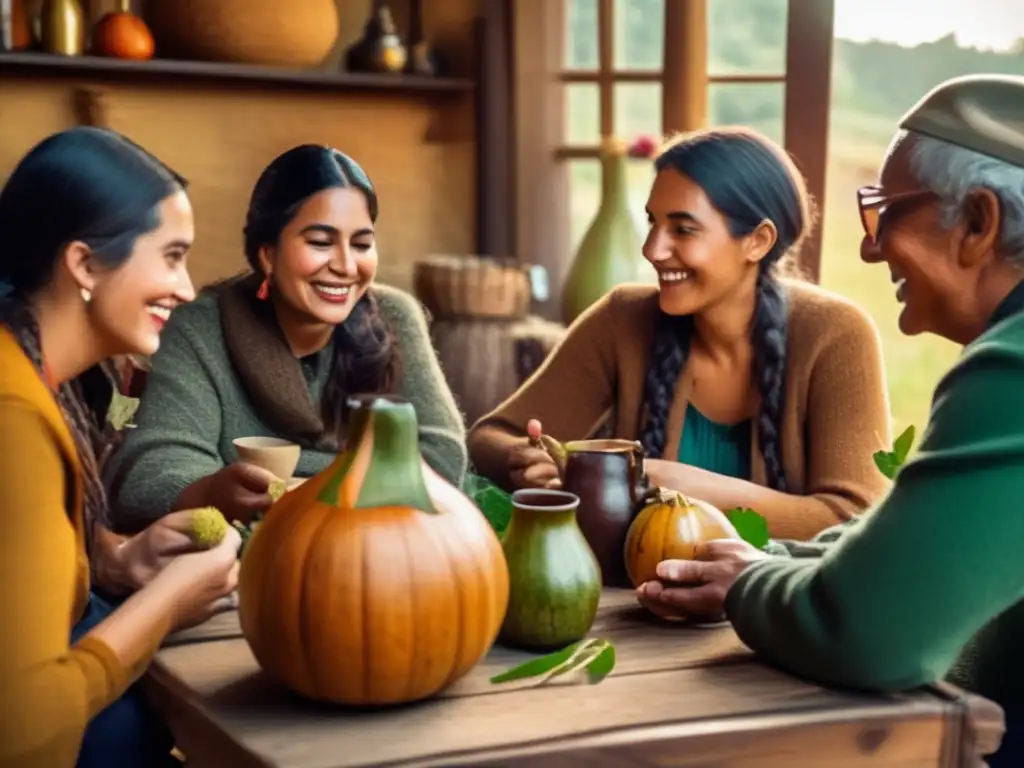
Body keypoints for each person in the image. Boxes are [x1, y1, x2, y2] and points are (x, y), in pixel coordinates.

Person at [634, 74, 1024, 767]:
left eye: (884, 213)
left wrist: (749, 583)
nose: (870, 249)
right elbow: (921, 544)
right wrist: (772, 561)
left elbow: (874, 634)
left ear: (978, 223)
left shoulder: (1011, 368)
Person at [467, 127, 891, 540]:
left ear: (758, 241)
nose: (652, 249)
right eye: (653, 222)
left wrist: (679, 486)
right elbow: (489, 437)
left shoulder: (836, 335)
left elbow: (855, 520)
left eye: (683, 229)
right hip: (635, 599)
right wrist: (522, 459)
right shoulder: (622, 319)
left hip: (771, 605)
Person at [0, 127, 241, 768]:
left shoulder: (39, 379)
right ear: (83, 264)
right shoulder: (14, 419)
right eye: (171, 256)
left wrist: (112, 561)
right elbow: (21, 735)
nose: (187, 289)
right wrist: (166, 603)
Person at [104, 145, 467, 532]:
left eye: (361, 244)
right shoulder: (202, 327)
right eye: (320, 242)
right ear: (268, 254)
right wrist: (212, 490)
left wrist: (298, 491)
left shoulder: (395, 316)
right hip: (241, 559)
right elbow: (152, 474)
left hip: (387, 546)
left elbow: (441, 459)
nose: (346, 266)